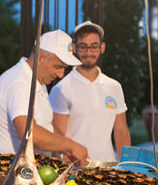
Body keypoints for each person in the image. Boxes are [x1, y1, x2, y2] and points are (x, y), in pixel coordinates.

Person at [0, 29, 89, 165]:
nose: (61, 74)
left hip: (28, 177)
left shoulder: (38, 82)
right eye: (58, 66)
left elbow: (47, 123)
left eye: (64, 68)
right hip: (10, 180)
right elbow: (28, 133)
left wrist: (65, 152)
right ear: (40, 58)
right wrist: (71, 146)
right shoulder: (20, 82)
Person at [50, 21, 131, 162]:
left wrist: (127, 166)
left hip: (108, 169)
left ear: (102, 47)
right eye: (83, 47)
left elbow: (121, 131)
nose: (89, 53)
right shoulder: (62, 89)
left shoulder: (114, 86)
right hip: (76, 170)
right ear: (74, 48)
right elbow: (58, 139)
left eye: (94, 47)